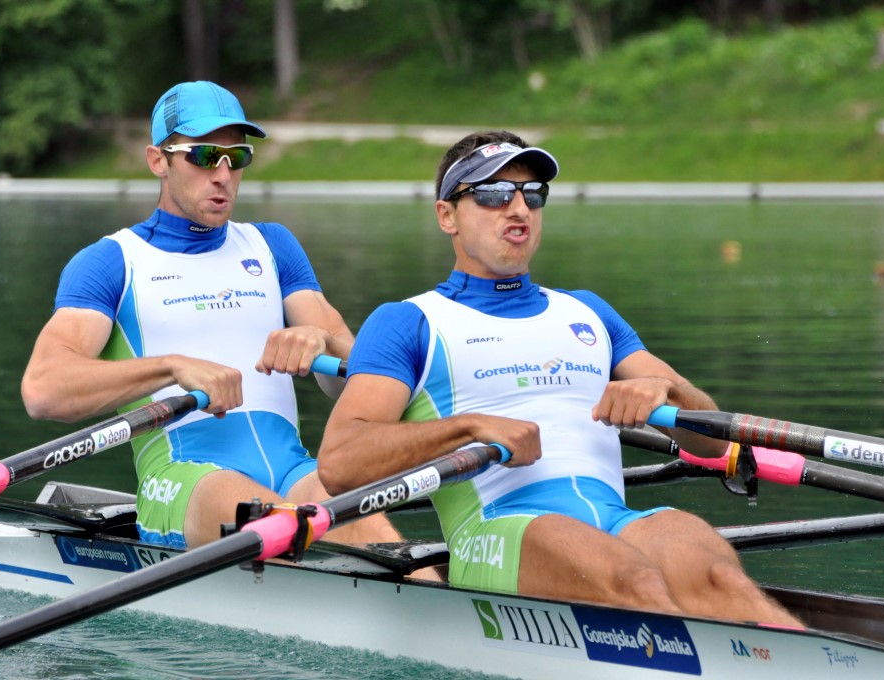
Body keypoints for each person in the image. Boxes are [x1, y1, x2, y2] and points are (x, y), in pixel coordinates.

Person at [317, 130, 801, 625]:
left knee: (718, 577)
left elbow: (714, 444)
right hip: (501, 530)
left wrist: (668, 390)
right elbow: (340, 462)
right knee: (633, 580)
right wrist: (470, 428)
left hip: (617, 522)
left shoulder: (588, 311)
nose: (518, 209)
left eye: (532, 194)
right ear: (447, 216)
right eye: (493, 194)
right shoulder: (409, 322)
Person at [20, 80, 410, 557]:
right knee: (284, 527)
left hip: (294, 470)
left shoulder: (273, 245)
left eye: (237, 157)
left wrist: (322, 341)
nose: (223, 175)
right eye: (205, 156)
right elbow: (43, 390)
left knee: (384, 546)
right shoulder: (112, 262)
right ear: (158, 160)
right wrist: (173, 367)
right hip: (186, 479)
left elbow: (357, 379)